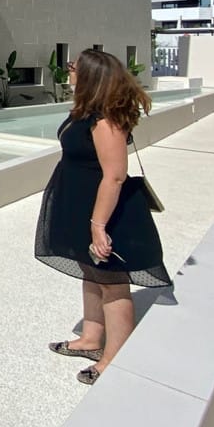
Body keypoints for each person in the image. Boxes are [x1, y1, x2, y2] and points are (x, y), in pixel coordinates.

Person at [34, 48, 172, 385]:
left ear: (90, 76)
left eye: (74, 67)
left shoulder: (105, 120)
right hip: (81, 205)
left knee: (112, 282)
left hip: (105, 212)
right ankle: (92, 338)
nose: (69, 70)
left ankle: (114, 359)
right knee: (91, 271)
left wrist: (98, 226)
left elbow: (115, 176)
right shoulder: (86, 112)